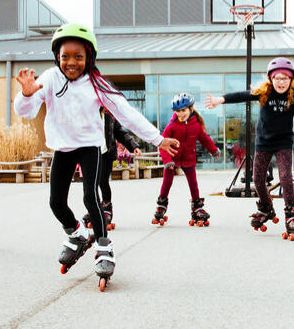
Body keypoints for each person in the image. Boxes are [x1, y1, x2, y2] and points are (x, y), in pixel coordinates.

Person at [13, 23, 179, 290]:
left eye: (78, 57)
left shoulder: (96, 83)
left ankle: (104, 247)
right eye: (65, 56)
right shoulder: (50, 77)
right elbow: (27, 111)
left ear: (89, 57)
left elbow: (126, 113)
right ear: (57, 56)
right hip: (62, 148)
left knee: (91, 197)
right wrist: (26, 93)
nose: (71, 62)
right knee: (56, 202)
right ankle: (77, 235)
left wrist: (158, 139)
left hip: (90, 146)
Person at [205, 57, 294, 241]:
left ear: (291, 80)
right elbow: (241, 95)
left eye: (285, 79)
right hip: (263, 142)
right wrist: (219, 100)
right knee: (257, 178)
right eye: (277, 78)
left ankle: (291, 215)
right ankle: (266, 207)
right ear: (271, 79)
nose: (281, 82)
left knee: (285, 176)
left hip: (284, 142)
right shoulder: (264, 92)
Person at [153, 93, 220, 227]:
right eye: (178, 111)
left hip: (189, 158)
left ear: (191, 109)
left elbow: (204, 139)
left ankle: (197, 207)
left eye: (183, 110)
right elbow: (162, 144)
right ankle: (161, 206)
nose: (180, 113)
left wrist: (214, 150)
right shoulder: (172, 126)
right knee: (167, 182)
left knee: (193, 184)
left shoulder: (196, 125)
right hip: (172, 158)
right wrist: (167, 161)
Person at [82, 110, 141, 231]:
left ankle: (107, 208)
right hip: (90, 153)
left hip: (106, 154)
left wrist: (133, 145)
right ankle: (94, 208)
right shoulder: (89, 112)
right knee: (90, 184)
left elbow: (120, 133)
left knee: (103, 182)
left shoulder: (110, 116)